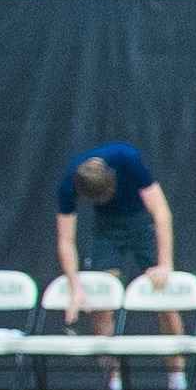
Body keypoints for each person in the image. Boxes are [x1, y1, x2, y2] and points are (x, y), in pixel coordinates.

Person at [51, 143, 173, 339]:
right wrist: (75, 289)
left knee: (165, 300)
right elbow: (66, 240)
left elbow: (161, 212)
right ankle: (111, 370)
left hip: (140, 220)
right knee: (102, 304)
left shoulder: (127, 158)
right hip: (107, 228)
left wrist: (165, 264)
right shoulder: (68, 183)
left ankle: (178, 370)